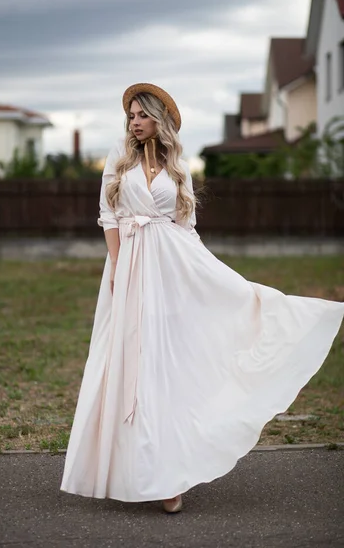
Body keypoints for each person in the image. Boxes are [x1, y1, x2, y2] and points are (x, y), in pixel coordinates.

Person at [60, 82, 344, 514]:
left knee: (170, 365)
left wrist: (207, 275)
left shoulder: (179, 168)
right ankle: (137, 469)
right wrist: (117, 268)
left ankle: (170, 474)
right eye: (131, 116)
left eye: (142, 115)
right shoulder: (118, 163)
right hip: (132, 269)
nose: (134, 122)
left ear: (160, 119)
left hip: (175, 270)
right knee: (133, 364)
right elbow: (109, 216)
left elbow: (185, 227)